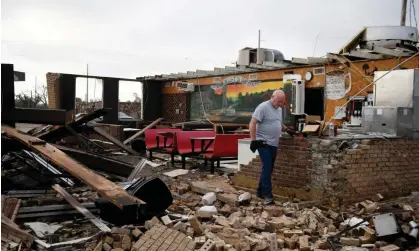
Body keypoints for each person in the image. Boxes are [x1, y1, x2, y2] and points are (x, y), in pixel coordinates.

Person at [248, 90, 288, 205]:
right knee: (267, 166)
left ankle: (260, 191)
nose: (280, 104)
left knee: (269, 168)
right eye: (279, 101)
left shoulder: (279, 109)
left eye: (282, 102)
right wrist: (254, 141)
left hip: (274, 143)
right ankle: (267, 195)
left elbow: (279, 123)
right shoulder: (263, 107)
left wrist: (287, 130)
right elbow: (252, 123)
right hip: (263, 142)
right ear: (272, 97)